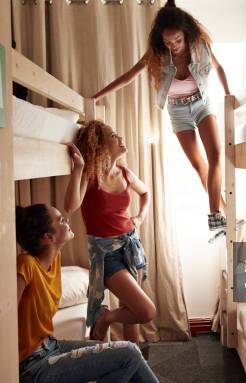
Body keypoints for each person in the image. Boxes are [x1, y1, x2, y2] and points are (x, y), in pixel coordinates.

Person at [16, 204, 175, 383]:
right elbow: (4, 322)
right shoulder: (25, 265)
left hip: (50, 347)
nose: (67, 220)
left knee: (128, 354)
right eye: (60, 220)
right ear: (48, 237)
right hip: (31, 367)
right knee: (127, 353)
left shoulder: (53, 262)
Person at [93, 0, 231, 231]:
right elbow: (128, 76)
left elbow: (218, 68)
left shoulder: (200, 46)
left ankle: (214, 216)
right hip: (177, 111)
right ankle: (226, 213)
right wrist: (97, 96)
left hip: (201, 104)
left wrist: (228, 95)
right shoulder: (158, 54)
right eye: (168, 42)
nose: (174, 46)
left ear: (186, 34)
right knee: (201, 168)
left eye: (177, 40)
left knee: (216, 155)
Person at [64, 120, 155, 383]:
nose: (121, 137)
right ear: (102, 145)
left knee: (135, 321)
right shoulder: (90, 176)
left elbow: (146, 193)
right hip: (107, 257)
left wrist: (139, 218)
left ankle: (132, 381)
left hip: (131, 248)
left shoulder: (125, 172)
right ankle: (105, 318)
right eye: (115, 135)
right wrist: (78, 168)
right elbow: (70, 206)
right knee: (145, 310)